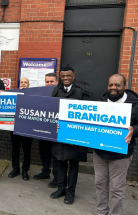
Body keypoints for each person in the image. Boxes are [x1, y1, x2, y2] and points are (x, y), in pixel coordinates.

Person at [93, 74, 138, 215]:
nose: (113, 88)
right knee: (100, 184)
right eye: (111, 85)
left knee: (116, 189)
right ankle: (101, 211)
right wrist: (64, 126)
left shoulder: (135, 105)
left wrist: (134, 130)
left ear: (124, 86)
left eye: (117, 85)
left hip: (121, 154)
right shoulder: (100, 101)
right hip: (100, 152)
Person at [50, 67, 94, 204]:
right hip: (60, 135)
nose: (65, 78)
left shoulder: (82, 92)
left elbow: (89, 112)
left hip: (75, 136)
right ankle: (61, 188)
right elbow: (52, 109)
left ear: (73, 76)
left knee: (73, 166)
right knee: (60, 162)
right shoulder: (57, 90)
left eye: (68, 76)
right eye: (63, 76)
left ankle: (70, 192)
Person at [33, 73, 59, 188]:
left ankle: (57, 178)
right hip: (43, 128)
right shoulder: (42, 93)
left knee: (56, 155)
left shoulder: (61, 93)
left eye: (51, 81)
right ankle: (45, 172)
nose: (49, 84)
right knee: (44, 151)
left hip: (56, 130)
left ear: (56, 82)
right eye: (47, 82)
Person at [8, 77, 33, 181]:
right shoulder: (14, 94)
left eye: (25, 82)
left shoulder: (33, 96)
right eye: (21, 82)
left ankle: (25, 170)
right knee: (15, 149)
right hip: (15, 127)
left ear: (29, 84)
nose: (23, 84)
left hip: (28, 127)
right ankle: (15, 168)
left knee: (27, 150)